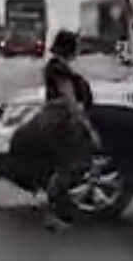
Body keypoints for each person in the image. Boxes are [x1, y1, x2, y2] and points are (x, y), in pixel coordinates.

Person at [40, 28, 98, 226]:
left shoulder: (58, 67)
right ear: (69, 48)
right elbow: (70, 100)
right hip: (62, 122)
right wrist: (87, 127)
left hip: (59, 120)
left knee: (66, 166)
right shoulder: (59, 70)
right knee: (70, 165)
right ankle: (57, 209)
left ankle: (57, 207)